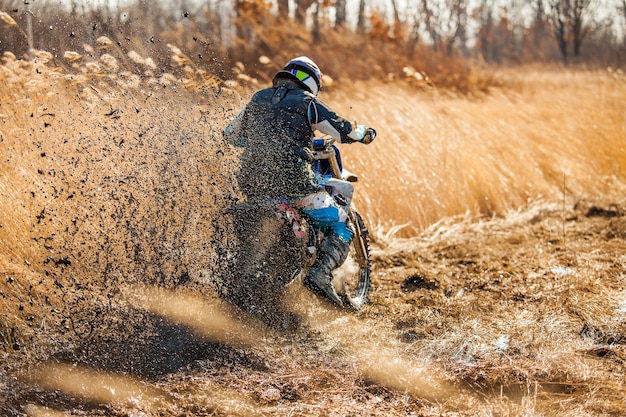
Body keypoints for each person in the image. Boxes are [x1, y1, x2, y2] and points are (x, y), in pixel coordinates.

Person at [224, 56, 375, 306]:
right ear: (311, 81)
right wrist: (365, 134)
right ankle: (320, 274)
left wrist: (262, 142)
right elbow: (343, 130)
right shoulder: (308, 103)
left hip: (252, 182)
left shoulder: (258, 98)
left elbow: (231, 135)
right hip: (293, 182)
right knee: (340, 221)